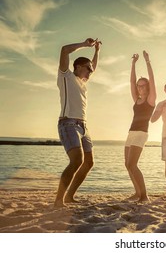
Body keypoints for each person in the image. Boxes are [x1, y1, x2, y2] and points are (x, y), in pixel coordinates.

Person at [55, 37, 101, 208]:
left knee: (89, 162)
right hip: (68, 124)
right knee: (76, 161)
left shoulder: (83, 82)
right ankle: (58, 200)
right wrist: (84, 45)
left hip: (83, 126)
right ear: (78, 67)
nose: (91, 71)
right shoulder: (65, 76)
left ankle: (69, 196)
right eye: (88, 68)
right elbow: (64, 49)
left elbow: (94, 66)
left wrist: (96, 51)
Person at [124, 51, 156, 202]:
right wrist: (133, 63)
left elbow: (153, 80)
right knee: (127, 165)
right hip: (131, 132)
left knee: (132, 164)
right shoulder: (136, 99)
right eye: (139, 86)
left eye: (143, 86)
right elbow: (131, 82)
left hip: (141, 133)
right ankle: (137, 193)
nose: (140, 88)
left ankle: (144, 196)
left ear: (148, 87)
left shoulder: (151, 100)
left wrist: (147, 61)